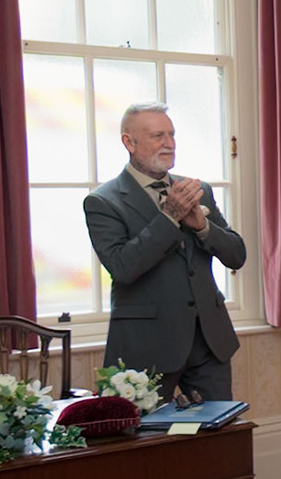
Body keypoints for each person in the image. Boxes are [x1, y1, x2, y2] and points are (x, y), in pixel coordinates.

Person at [84, 102, 247, 403]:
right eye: (158, 135)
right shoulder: (103, 202)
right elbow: (123, 267)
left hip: (209, 343)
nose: (169, 143)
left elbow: (237, 255)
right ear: (129, 142)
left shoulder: (199, 191)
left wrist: (202, 227)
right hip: (145, 346)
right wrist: (169, 218)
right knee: (146, 446)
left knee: (217, 444)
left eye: (172, 134)